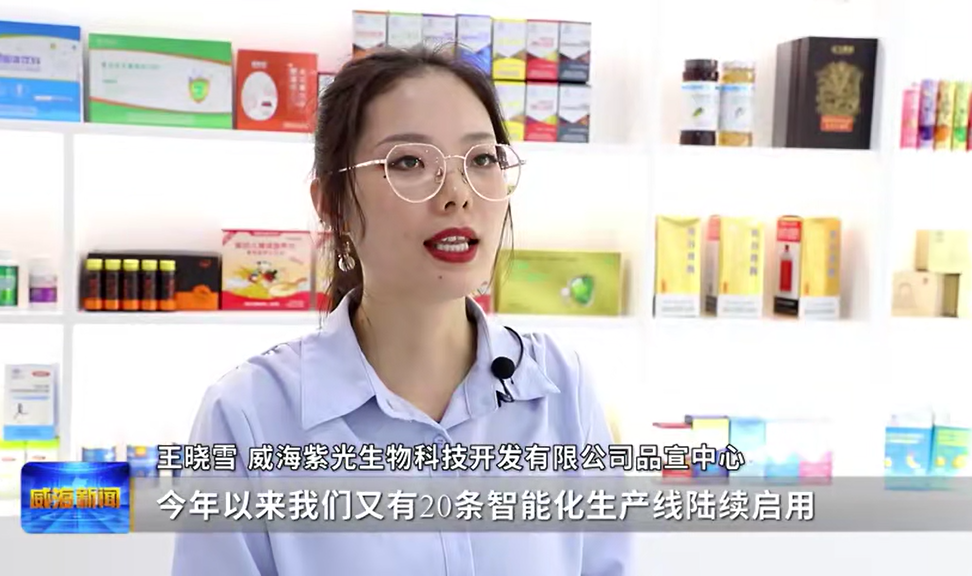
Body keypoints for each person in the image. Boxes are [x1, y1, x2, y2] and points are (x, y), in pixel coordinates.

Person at [172, 46, 635, 576]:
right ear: (333, 204)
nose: (457, 194)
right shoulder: (248, 416)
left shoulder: (559, 388)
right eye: (409, 162)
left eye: (482, 159)